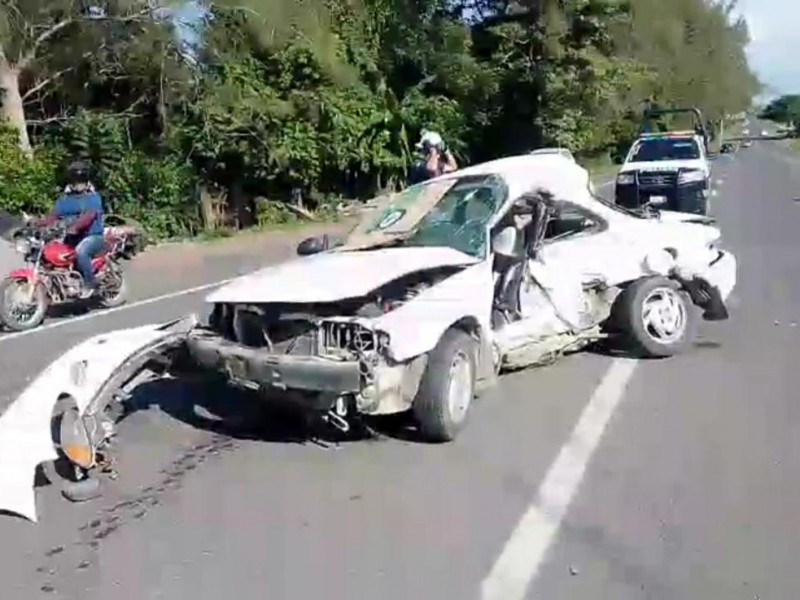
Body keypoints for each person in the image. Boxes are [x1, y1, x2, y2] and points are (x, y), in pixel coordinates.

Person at [39, 161, 105, 298]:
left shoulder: (93, 197)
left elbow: (89, 216)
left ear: (86, 181)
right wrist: (37, 224)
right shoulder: (65, 200)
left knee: (81, 251)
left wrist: (75, 227)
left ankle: (89, 283)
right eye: (75, 181)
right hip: (71, 237)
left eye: (81, 181)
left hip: (93, 236)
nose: (78, 184)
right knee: (50, 252)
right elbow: (53, 216)